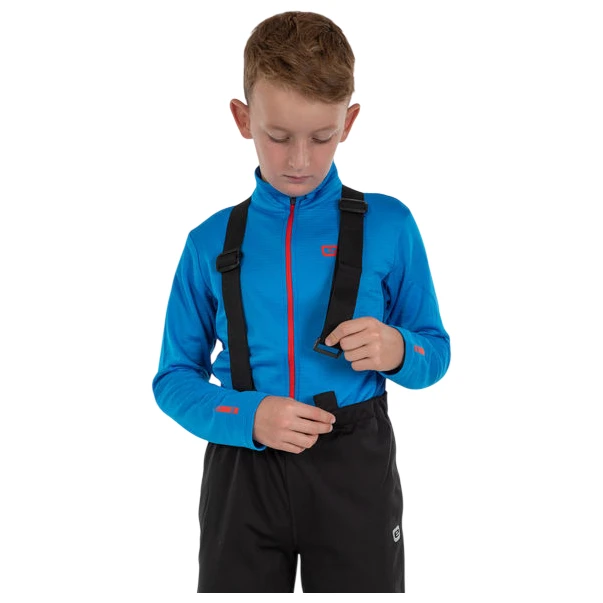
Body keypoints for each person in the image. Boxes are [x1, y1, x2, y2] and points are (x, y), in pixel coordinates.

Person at [152, 11, 450, 593]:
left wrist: (397, 349)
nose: (299, 161)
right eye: (278, 136)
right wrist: (247, 417)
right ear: (243, 119)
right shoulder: (208, 241)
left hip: (354, 465)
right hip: (242, 467)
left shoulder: (390, 225)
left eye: (321, 137)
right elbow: (172, 378)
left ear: (349, 122)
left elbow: (434, 353)